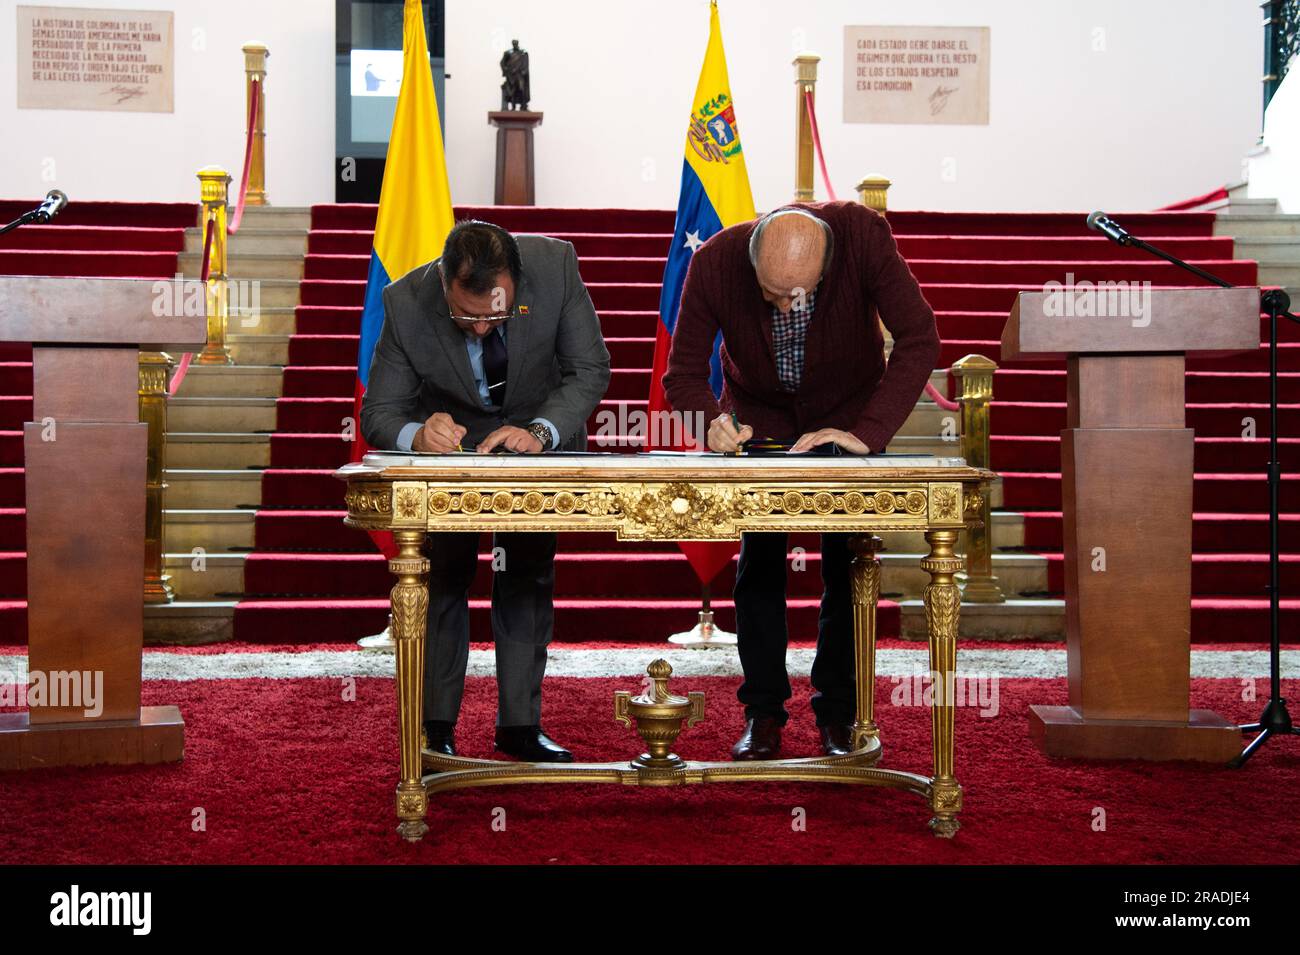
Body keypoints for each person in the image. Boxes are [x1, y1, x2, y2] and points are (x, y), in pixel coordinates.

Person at [662, 202, 940, 760]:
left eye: (799, 295)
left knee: (846, 570)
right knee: (760, 570)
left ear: (827, 264)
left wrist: (868, 431)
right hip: (758, 426)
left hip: (849, 419)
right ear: (753, 258)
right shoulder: (716, 261)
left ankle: (837, 716)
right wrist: (711, 422)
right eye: (772, 293)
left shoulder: (863, 236)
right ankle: (762, 715)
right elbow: (684, 373)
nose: (785, 306)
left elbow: (919, 340)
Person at [361, 220, 611, 762]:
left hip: (535, 438)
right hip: (452, 456)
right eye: (464, 317)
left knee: (525, 577)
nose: (479, 331)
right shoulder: (406, 301)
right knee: (443, 579)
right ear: (443, 281)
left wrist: (542, 432)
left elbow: (589, 368)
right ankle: (435, 729)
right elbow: (379, 412)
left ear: (516, 284)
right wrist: (418, 436)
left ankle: (520, 728)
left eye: (493, 316)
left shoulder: (556, 268)